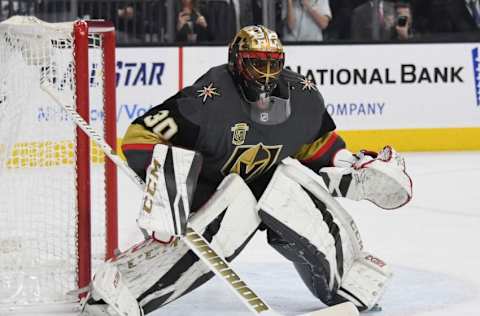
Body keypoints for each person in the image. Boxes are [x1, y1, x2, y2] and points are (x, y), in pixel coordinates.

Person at [81, 25, 412, 316]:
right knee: (230, 215)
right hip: (210, 194)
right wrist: (173, 190)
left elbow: (317, 143)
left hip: (265, 185)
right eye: (256, 63)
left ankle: (343, 280)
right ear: (237, 61)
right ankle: (125, 286)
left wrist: (350, 163)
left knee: (289, 187)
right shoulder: (208, 98)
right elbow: (139, 137)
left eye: (273, 64)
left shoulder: (302, 97)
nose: (266, 74)